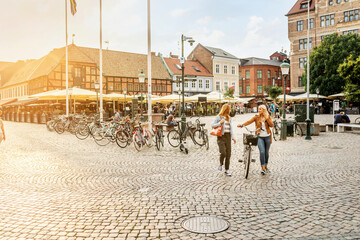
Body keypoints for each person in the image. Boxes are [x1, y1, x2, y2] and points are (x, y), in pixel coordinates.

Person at [238, 105, 274, 175]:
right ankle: (262, 168)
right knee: (262, 151)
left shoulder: (267, 116)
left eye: (260, 109)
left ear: (264, 110)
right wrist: (242, 125)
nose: (259, 110)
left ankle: (266, 166)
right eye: (258, 109)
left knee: (266, 152)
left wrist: (267, 118)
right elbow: (249, 121)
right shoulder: (256, 117)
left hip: (267, 137)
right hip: (259, 136)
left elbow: (271, 125)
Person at [211, 104, 236, 176]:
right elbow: (212, 125)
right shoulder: (219, 117)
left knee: (228, 154)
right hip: (221, 137)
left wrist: (233, 137)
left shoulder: (229, 118)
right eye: (229, 109)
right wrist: (220, 123)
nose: (230, 110)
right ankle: (221, 163)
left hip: (228, 136)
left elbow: (231, 129)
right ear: (226, 109)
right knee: (223, 152)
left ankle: (227, 170)